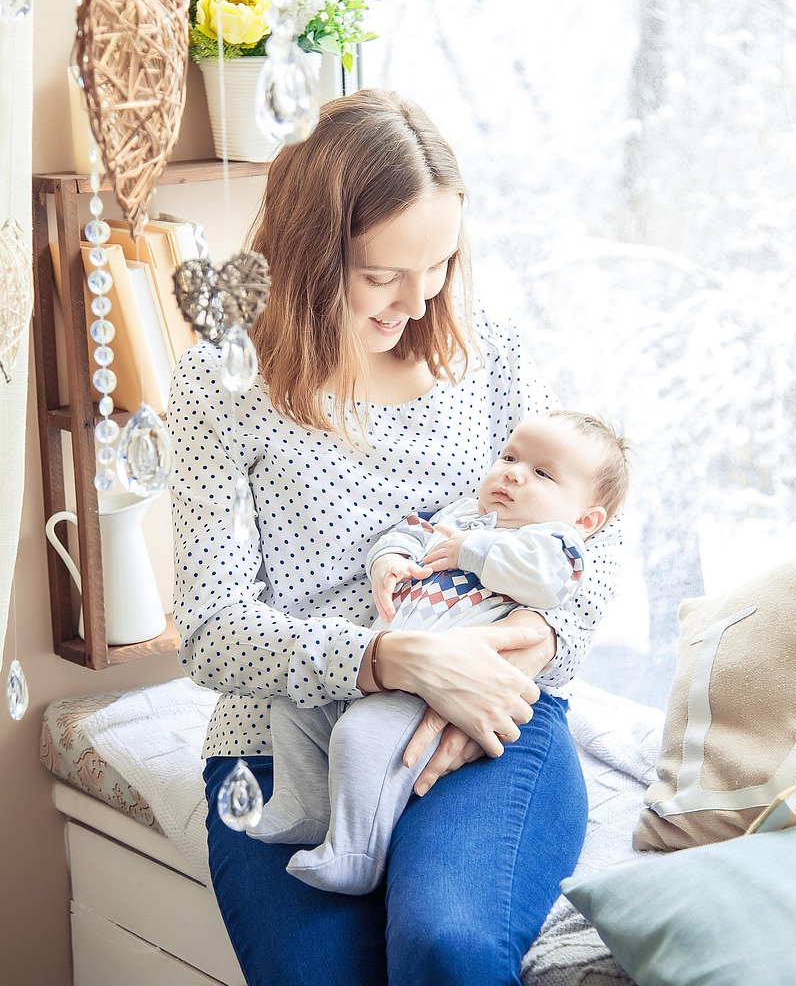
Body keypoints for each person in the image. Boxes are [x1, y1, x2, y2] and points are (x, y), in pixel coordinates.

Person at [167, 89, 624, 986]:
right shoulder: (219, 386)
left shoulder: (486, 348)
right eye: (383, 276)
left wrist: (534, 639)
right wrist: (389, 659)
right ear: (310, 253)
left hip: (488, 708)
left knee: (445, 946)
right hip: (284, 739)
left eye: (440, 264)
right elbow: (212, 630)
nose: (419, 301)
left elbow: (591, 532)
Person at [250, 410, 630, 896]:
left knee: (362, 736)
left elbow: (544, 583)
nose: (513, 473)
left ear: (585, 520)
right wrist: (389, 560)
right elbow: (409, 532)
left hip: (439, 689)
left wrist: (473, 550)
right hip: (380, 664)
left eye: (541, 473)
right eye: (509, 457)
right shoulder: (461, 514)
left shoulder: (555, 546)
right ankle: (306, 806)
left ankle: (355, 853)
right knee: (296, 705)